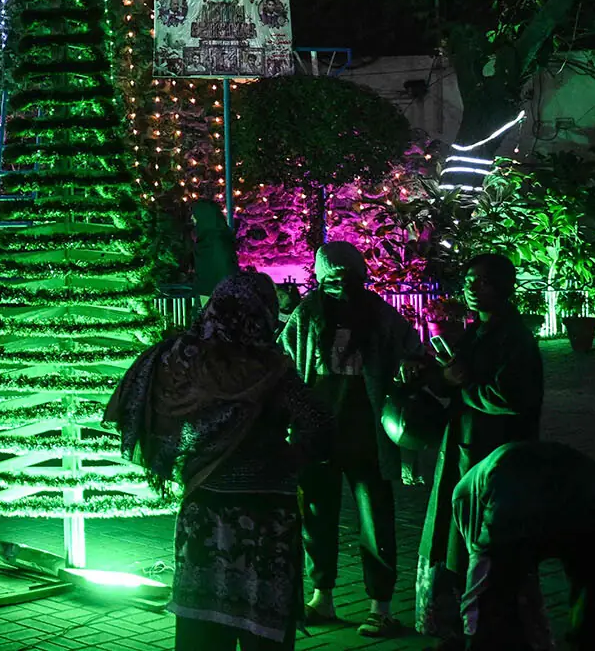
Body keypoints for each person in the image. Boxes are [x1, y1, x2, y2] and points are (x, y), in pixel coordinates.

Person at [105, 272, 331, 650]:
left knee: (202, 622)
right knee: (263, 623)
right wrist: (293, 459)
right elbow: (320, 423)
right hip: (266, 513)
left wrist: (185, 455)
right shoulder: (272, 371)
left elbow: (140, 410)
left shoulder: (177, 360)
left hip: (204, 505)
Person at [278, 241, 422, 636]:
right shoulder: (309, 313)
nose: (339, 285)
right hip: (316, 434)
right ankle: (322, 598)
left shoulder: (377, 314)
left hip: (367, 434)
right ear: (321, 278)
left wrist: (412, 364)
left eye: (346, 277)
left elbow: (414, 349)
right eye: (331, 278)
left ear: (360, 275)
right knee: (316, 520)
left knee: (376, 519)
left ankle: (381, 606)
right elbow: (283, 360)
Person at [417, 253, 545, 644]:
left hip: (497, 458)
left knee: (489, 547)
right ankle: (461, 624)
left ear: (505, 287)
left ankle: (489, 627)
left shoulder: (516, 339)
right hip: (465, 453)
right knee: (458, 541)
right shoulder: (476, 333)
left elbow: (510, 396)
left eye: (484, 282)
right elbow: (456, 379)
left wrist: (464, 383)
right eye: (469, 280)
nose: (473, 288)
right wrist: (435, 375)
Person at [452, 441, 595, 651]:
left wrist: (471, 631)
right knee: (591, 587)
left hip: (522, 490)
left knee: (495, 588)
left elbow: (483, 572)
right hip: (586, 489)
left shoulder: (468, 500)